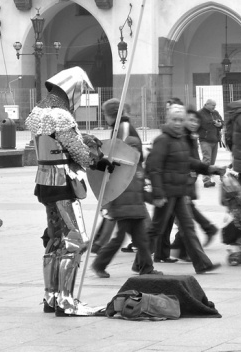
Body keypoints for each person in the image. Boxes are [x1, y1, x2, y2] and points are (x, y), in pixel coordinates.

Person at [25, 66, 115, 317]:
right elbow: (74, 148)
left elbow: (57, 143)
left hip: (44, 181)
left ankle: (51, 296)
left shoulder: (38, 112)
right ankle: (66, 300)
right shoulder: (61, 115)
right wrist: (97, 162)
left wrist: (83, 141)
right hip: (63, 182)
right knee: (76, 240)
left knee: (54, 240)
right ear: (71, 89)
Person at [146, 103, 224, 273]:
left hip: (180, 192)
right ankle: (142, 265)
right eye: (174, 119)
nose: (177, 123)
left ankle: (202, 264)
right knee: (156, 230)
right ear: (168, 120)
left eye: (180, 120)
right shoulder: (162, 140)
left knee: (188, 228)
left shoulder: (180, 139)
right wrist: (158, 194)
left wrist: (208, 168)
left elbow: (188, 162)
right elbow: (154, 168)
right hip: (166, 193)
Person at [92, 98, 163, 278]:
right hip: (123, 206)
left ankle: (146, 268)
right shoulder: (125, 169)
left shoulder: (122, 130)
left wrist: (152, 198)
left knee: (141, 239)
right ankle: (100, 263)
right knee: (121, 239)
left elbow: (140, 189)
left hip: (133, 206)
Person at [169, 108, 220, 259]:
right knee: (183, 217)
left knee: (184, 217)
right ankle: (182, 247)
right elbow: (184, 160)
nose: (193, 123)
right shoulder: (181, 136)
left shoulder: (189, 136)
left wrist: (202, 170)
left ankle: (180, 249)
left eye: (196, 121)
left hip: (185, 180)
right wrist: (204, 168)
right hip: (179, 181)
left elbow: (191, 159)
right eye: (190, 120)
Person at [198, 99, 224, 188]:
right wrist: (214, 123)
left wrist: (220, 124)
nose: (214, 107)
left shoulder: (215, 112)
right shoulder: (200, 114)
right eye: (213, 105)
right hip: (205, 140)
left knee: (212, 162)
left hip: (215, 140)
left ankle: (209, 178)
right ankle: (206, 180)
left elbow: (222, 122)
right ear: (207, 104)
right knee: (206, 160)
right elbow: (203, 124)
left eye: (215, 106)